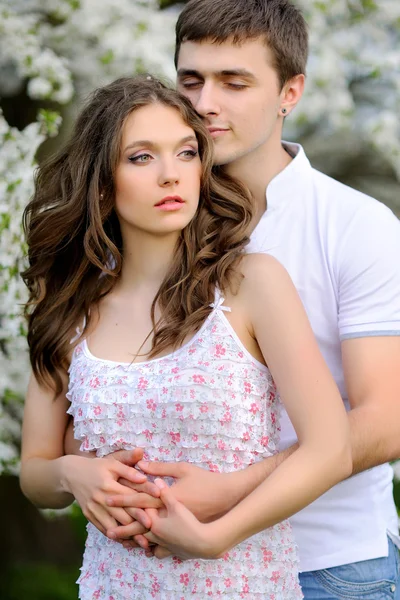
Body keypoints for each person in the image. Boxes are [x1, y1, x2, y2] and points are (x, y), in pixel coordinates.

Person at [90, 1, 400, 598]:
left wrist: (233, 489)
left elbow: (386, 420)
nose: (206, 102)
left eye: (235, 82)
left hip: (329, 566)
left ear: (291, 91)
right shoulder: (146, 217)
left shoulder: (357, 225)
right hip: (165, 568)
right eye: (191, 79)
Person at [19, 75, 351, 599]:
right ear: (102, 183)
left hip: (240, 581)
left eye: (186, 152)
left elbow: (331, 449)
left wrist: (215, 538)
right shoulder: (68, 309)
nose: (172, 175)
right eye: (142, 157)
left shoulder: (251, 283)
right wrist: (72, 475)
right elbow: (35, 471)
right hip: (113, 585)